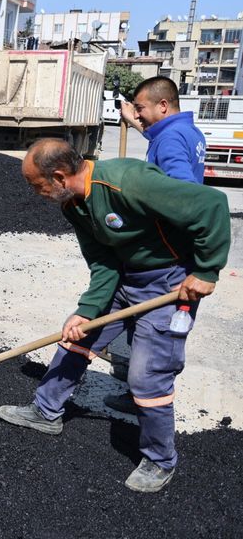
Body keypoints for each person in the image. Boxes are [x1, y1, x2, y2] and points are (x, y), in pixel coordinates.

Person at [0, 138, 230, 493]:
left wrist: (207, 270)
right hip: (124, 278)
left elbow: (212, 204)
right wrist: (87, 311)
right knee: (75, 339)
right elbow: (103, 262)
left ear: (59, 176)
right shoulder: (73, 204)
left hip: (169, 284)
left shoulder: (128, 181)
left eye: (36, 185)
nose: (36, 193)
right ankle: (46, 412)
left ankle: (159, 459)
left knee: (147, 376)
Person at [108, 76, 207, 414]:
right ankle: (137, 396)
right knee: (143, 334)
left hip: (170, 258)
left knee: (159, 344)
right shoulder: (185, 132)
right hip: (173, 254)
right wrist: (136, 121)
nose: (140, 114)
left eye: (142, 109)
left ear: (163, 105)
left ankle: (148, 402)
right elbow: (160, 136)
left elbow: (185, 194)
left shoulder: (170, 140)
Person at [120, 76, 206, 183]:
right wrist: (129, 118)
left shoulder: (170, 138)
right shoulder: (190, 131)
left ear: (163, 105)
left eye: (139, 108)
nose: (135, 115)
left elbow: (183, 189)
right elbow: (153, 136)